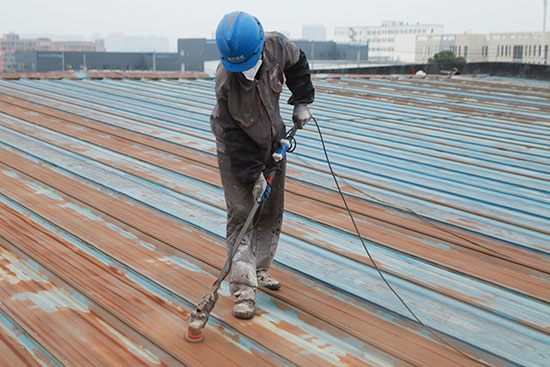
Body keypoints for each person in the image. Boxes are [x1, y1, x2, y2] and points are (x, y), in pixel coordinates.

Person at [210, 11, 315, 319]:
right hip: (235, 149)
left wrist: (302, 100)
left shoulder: (278, 46)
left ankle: (260, 269)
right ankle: (243, 290)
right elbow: (233, 135)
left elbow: (299, 65)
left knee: (271, 208)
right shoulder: (226, 80)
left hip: (272, 140)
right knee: (244, 214)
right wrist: (253, 175)